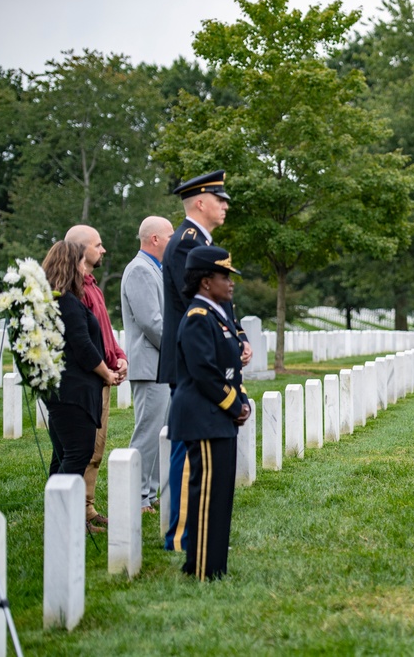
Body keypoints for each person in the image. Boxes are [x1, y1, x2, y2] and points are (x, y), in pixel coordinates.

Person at [159, 170, 252, 552]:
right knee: (189, 445)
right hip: (194, 358)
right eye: (220, 198)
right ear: (200, 202)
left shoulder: (201, 242)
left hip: (208, 352)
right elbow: (198, 301)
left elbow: (221, 297)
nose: (226, 205)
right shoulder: (186, 243)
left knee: (198, 445)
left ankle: (193, 528)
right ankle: (181, 535)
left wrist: (239, 336)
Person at [168, 245, 251, 580]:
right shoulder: (198, 319)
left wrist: (240, 401)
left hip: (217, 418)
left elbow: (229, 368)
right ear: (205, 282)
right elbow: (204, 372)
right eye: (223, 276)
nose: (230, 283)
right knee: (206, 497)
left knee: (219, 497)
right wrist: (234, 406)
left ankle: (212, 566)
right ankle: (202, 568)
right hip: (203, 417)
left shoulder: (217, 316)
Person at [41, 241, 120, 533]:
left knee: (62, 455)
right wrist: (107, 373)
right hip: (74, 391)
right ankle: (65, 522)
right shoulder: (67, 301)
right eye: (80, 263)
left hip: (63, 391)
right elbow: (83, 347)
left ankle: (60, 519)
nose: (83, 267)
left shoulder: (53, 299)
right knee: (77, 453)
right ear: (71, 264)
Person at [65, 224, 128, 530]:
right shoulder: (73, 290)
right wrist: (104, 369)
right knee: (84, 449)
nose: (103, 250)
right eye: (98, 245)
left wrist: (120, 357)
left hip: (103, 375)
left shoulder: (94, 287)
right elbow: (84, 341)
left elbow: (105, 333)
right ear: (81, 250)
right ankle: (78, 510)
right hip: (88, 379)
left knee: (97, 448)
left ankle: (88, 508)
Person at [121, 216, 174, 513]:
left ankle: (149, 494)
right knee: (147, 431)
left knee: (160, 431)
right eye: (169, 235)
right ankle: (137, 495)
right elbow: (152, 323)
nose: (173, 240)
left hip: (160, 364)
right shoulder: (140, 270)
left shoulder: (156, 269)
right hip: (151, 364)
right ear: (154, 239)